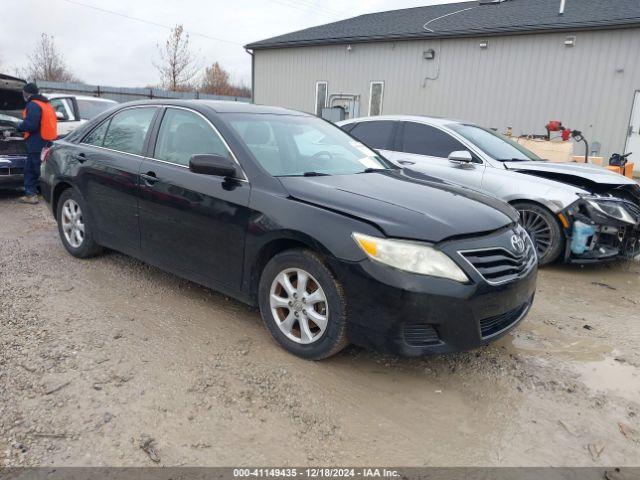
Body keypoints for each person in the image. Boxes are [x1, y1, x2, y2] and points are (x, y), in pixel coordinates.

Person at [16, 83, 57, 204]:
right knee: (32, 168)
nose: (23, 95)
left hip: (37, 141)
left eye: (23, 92)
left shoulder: (33, 104)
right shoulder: (46, 104)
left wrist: (19, 126)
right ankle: (32, 193)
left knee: (36, 169)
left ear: (26, 93)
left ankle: (47, 195)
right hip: (48, 140)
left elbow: (31, 125)